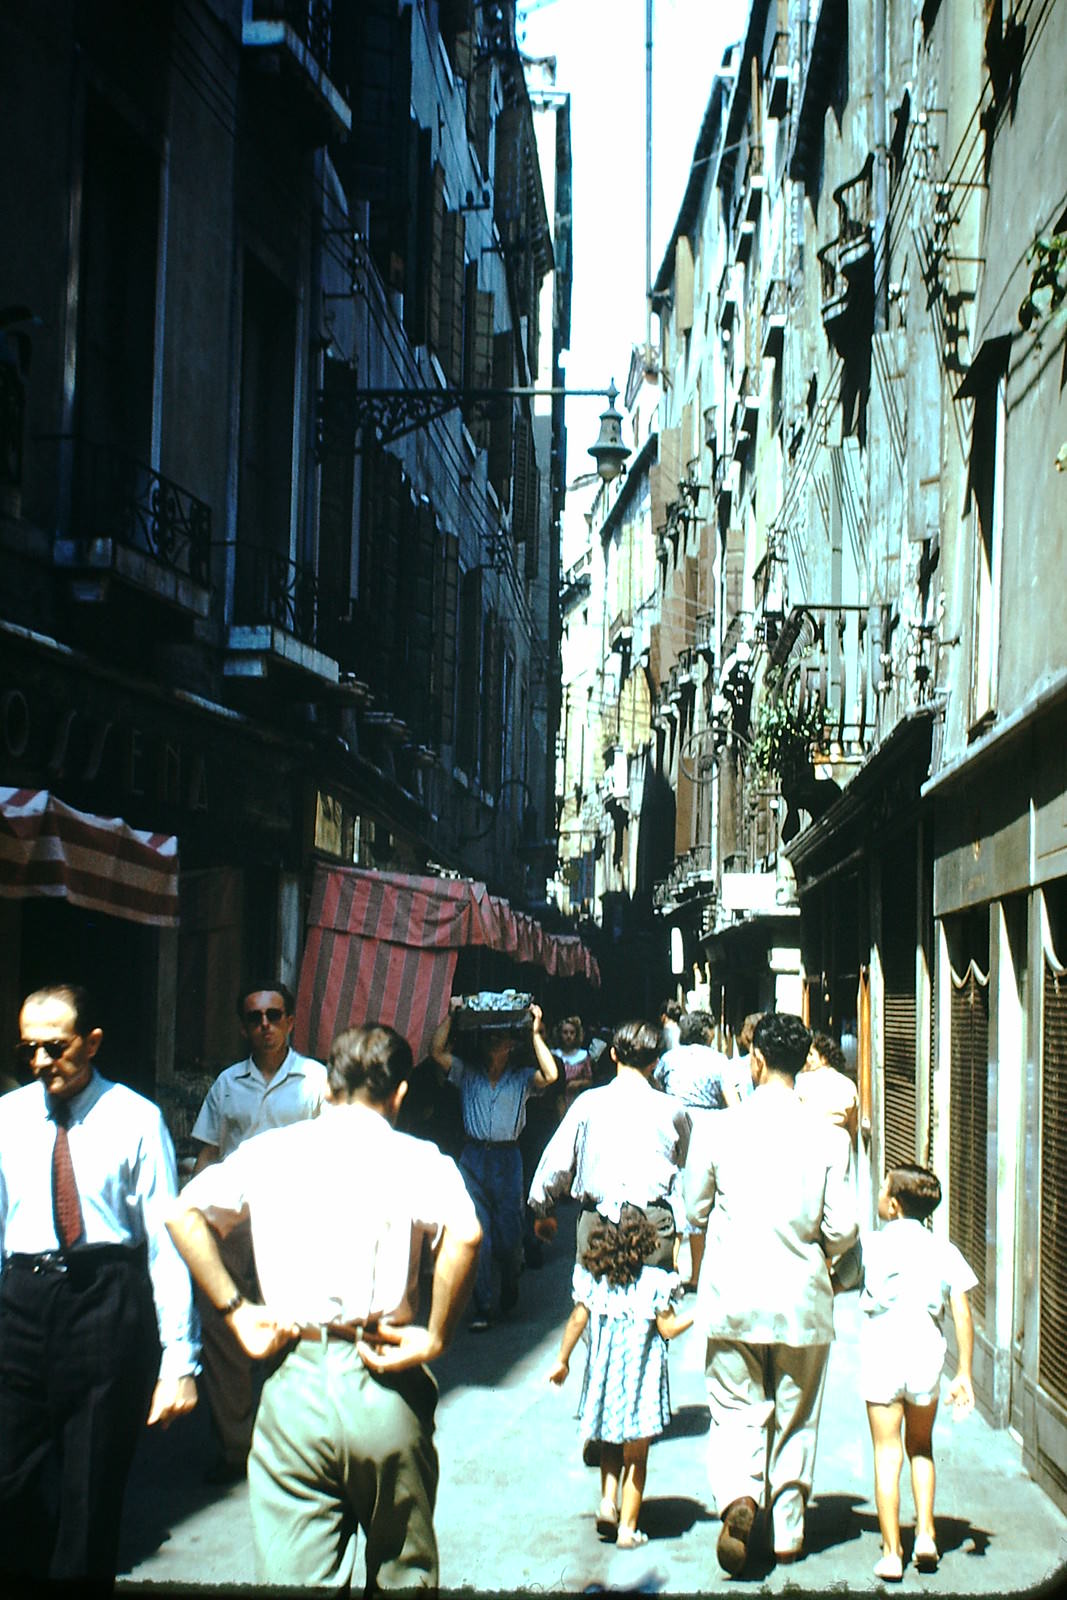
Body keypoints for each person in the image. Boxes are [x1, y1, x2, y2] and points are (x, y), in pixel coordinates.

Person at [167, 1023, 482, 1594]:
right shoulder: (417, 1157)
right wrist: (436, 1336)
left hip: (295, 1384)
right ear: (400, 1094)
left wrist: (236, 1310)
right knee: (403, 1574)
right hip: (384, 1375)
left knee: (297, 1580)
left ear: (329, 1086)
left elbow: (182, 1214)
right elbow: (467, 1233)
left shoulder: (269, 1151)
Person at [0, 983, 199, 1592]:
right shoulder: (6, 1119)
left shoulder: (135, 1119)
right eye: (27, 1049)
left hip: (105, 1304)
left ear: (92, 1043)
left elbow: (168, 1242)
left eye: (54, 1048)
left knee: (91, 1489)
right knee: (10, 1481)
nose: (38, 1063)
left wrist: (178, 1363)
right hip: (22, 1300)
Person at [685, 1011, 857, 1574]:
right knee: (795, 1413)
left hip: (732, 1295)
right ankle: (786, 1530)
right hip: (803, 1301)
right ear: (804, 1064)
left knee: (736, 1409)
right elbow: (841, 1229)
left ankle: (740, 1497)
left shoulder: (717, 1128)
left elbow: (693, 1208)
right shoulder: (830, 1137)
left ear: (755, 1060)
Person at [189, 981, 327, 1481]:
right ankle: (236, 1445)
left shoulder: (315, 1080)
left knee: (292, 1327)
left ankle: (288, 1439)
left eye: (274, 1015)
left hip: (295, 1221)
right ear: (244, 1026)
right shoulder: (228, 1084)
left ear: (291, 1021)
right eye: (254, 1017)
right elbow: (208, 1151)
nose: (264, 1025)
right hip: (234, 1222)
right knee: (226, 1333)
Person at [858, 1163, 976, 1581]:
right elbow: (962, 1311)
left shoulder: (869, 1245)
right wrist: (963, 1371)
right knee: (921, 1447)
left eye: (883, 1186)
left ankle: (893, 1552)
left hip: (883, 1353)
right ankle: (926, 1535)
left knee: (886, 1454)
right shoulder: (943, 1249)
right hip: (926, 1354)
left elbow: (842, 1279)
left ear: (892, 1204)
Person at [548, 1208, 692, 1548]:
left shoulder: (597, 1283)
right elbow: (668, 1327)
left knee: (610, 1444)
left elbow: (576, 1321)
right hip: (640, 1385)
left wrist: (562, 1361)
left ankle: (607, 1502)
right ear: (643, 1245)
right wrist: (697, 1314)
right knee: (636, 1459)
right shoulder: (655, 1283)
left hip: (606, 1383)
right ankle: (627, 1530)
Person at [430, 997, 558, 1331]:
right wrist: (452, 1014)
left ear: (511, 1045)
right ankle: (483, 1305)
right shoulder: (467, 1073)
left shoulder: (522, 1078)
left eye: (500, 1038)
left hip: (507, 1159)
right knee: (480, 1236)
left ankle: (510, 1276)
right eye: (489, 1037)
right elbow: (437, 1051)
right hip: (474, 1156)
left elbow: (552, 1074)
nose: (493, 1042)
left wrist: (535, 1032)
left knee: (507, 1236)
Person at [528, 1019, 691, 1271]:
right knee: (654, 1305)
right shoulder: (673, 1110)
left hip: (597, 1224)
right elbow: (683, 1162)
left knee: (590, 1303)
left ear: (613, 1054)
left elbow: (556, 1163)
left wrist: (542, 1208)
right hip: (653, 1222)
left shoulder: (588, 1104)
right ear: (654, 1062)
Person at [653, 1010, 740, 1291]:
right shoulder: (719, 1061)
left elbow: (655, 1087)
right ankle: (697, 1274)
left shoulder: (669, 1059)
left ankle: (672, 1265)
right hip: (709, 1129)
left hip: (672, 1127)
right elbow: (734, 1103)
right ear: (707, 1033)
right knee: (703, 1201)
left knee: (673, 1194)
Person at [796, 1030, 859, 1138]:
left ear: (824, 1058)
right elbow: (853, 1129)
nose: (807, 1059)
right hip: (838, 1146)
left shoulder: (803, 1081)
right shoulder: (849, 1085)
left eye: (811, 1054)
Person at [551, 1015, 593, 1114]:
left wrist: (577, 1083)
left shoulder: (583, 1055)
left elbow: (590, 1081)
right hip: (555, 1100)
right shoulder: (554, 1055)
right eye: (565, 1032)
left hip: (576, 1098)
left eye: (572, 1033)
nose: (569, 1036)